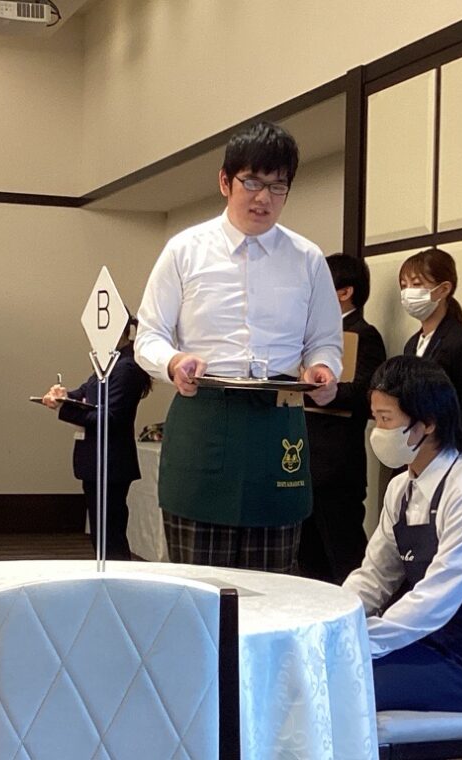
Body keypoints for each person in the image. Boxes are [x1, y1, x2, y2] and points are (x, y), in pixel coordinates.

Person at [135, 120, 343, 573]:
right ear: (225, 182)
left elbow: (325, 342)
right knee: (198, 587)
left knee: (274, 586)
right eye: (252, 182)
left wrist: (324, 370)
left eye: (277, 186)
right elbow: (148, 335)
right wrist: (173, 361)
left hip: (278, 421)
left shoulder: (307, 258)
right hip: (204, 413)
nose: (263, 197)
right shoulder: (184, 250)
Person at [343, 356, 462, 712]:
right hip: (429, 639)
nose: (378, 431)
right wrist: (334, 620)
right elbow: (374, 577)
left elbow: (436, 599)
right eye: (375, 418)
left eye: (386, 419)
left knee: (345, 686)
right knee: (324, 669)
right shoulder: (400, 489)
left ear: (428, 423)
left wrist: (359, 639)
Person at [299, 253, 386, 584]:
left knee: (344, 558)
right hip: (303, 460)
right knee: (308, 562)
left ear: (344, 292)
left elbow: (368, 394)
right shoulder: (307, 339)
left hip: (337, 465)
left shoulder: (364, 334)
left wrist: (324, 390)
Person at [42, 318, 151, 560]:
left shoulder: (126, 366)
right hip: (100, 459)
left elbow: (111, 417)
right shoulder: (112, 361)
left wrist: (65, 408)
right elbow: (86, 391)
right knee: (103, 534)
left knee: (109, 536)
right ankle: (111, 576)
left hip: (110, 460)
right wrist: (63, 396)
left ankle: (117, 579)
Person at [399, 247, 462, 468]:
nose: (408, 293)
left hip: (453, 459)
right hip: (416, 457)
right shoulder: (412, 344)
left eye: (416, 284)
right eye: (404, 286)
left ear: (444, 289)